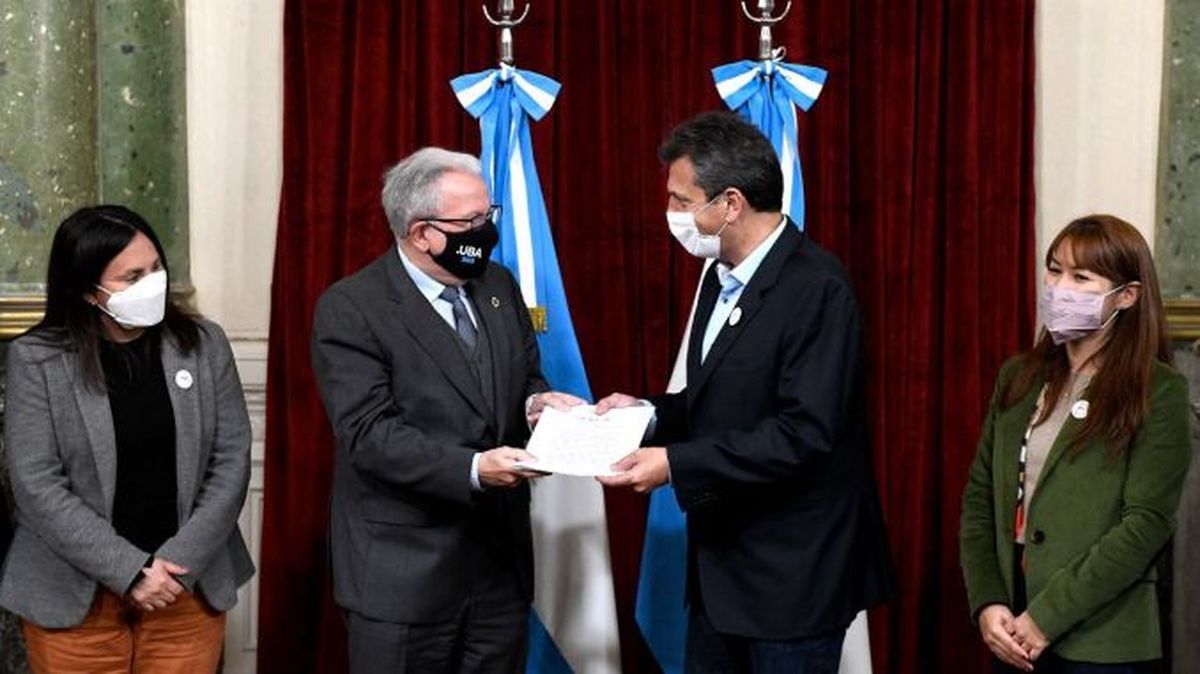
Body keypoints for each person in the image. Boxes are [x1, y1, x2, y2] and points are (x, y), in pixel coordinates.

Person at [596, 111, 894, 673]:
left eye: (682, 201)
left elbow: (804, 433)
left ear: (729, 204)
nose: (670, 215)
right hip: (722, 574)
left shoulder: (817, 287)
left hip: (791, 580)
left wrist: (673, 465)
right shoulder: (720, 273)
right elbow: (721, 404)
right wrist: (644, 415)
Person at [311, 147, 582, 673]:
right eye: (471, 221)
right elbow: (369, 435)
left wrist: (536, 404)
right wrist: (475, 469)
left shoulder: (498, 286)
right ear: (421, 234)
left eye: (489, 216)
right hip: (404, 578)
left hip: (499, 572)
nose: (486, 231)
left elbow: (523, 376)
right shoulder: (351, 309)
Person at [0, 205, 255, 673]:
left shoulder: (202, 343)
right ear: (86, 291)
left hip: (183, 589)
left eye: (156, 267)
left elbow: (231, 459)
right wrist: (131, 571)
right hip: (74, 596)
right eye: (132, 276)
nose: (151, 282)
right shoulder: (37, 360)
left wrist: (177, 565)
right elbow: (37, 483)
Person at [960, 215, 1192, 673]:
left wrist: (1045, 619)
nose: (1060, 287)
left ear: (1127, 295)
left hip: (1101, 641)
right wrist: (988, 602)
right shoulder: (1019, 377)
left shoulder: (1158, 391)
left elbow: (1144, 525)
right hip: (1011, 627)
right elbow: (981, 499)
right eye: (1054, 270)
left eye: (1081, 277)